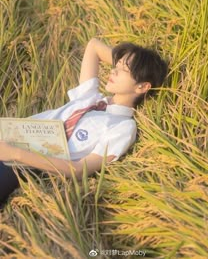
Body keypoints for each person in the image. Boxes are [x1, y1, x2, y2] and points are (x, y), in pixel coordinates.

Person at [0, 38, 167, 204]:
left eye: (123, 70)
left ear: (143, 87)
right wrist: (129, 62)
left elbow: (79, 170)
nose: (113, 71)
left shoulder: (123, 127)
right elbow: (94, 46)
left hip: (23, 162)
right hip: (9, 133)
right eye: (115, 66)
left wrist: (14, 154)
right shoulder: (90, 97)